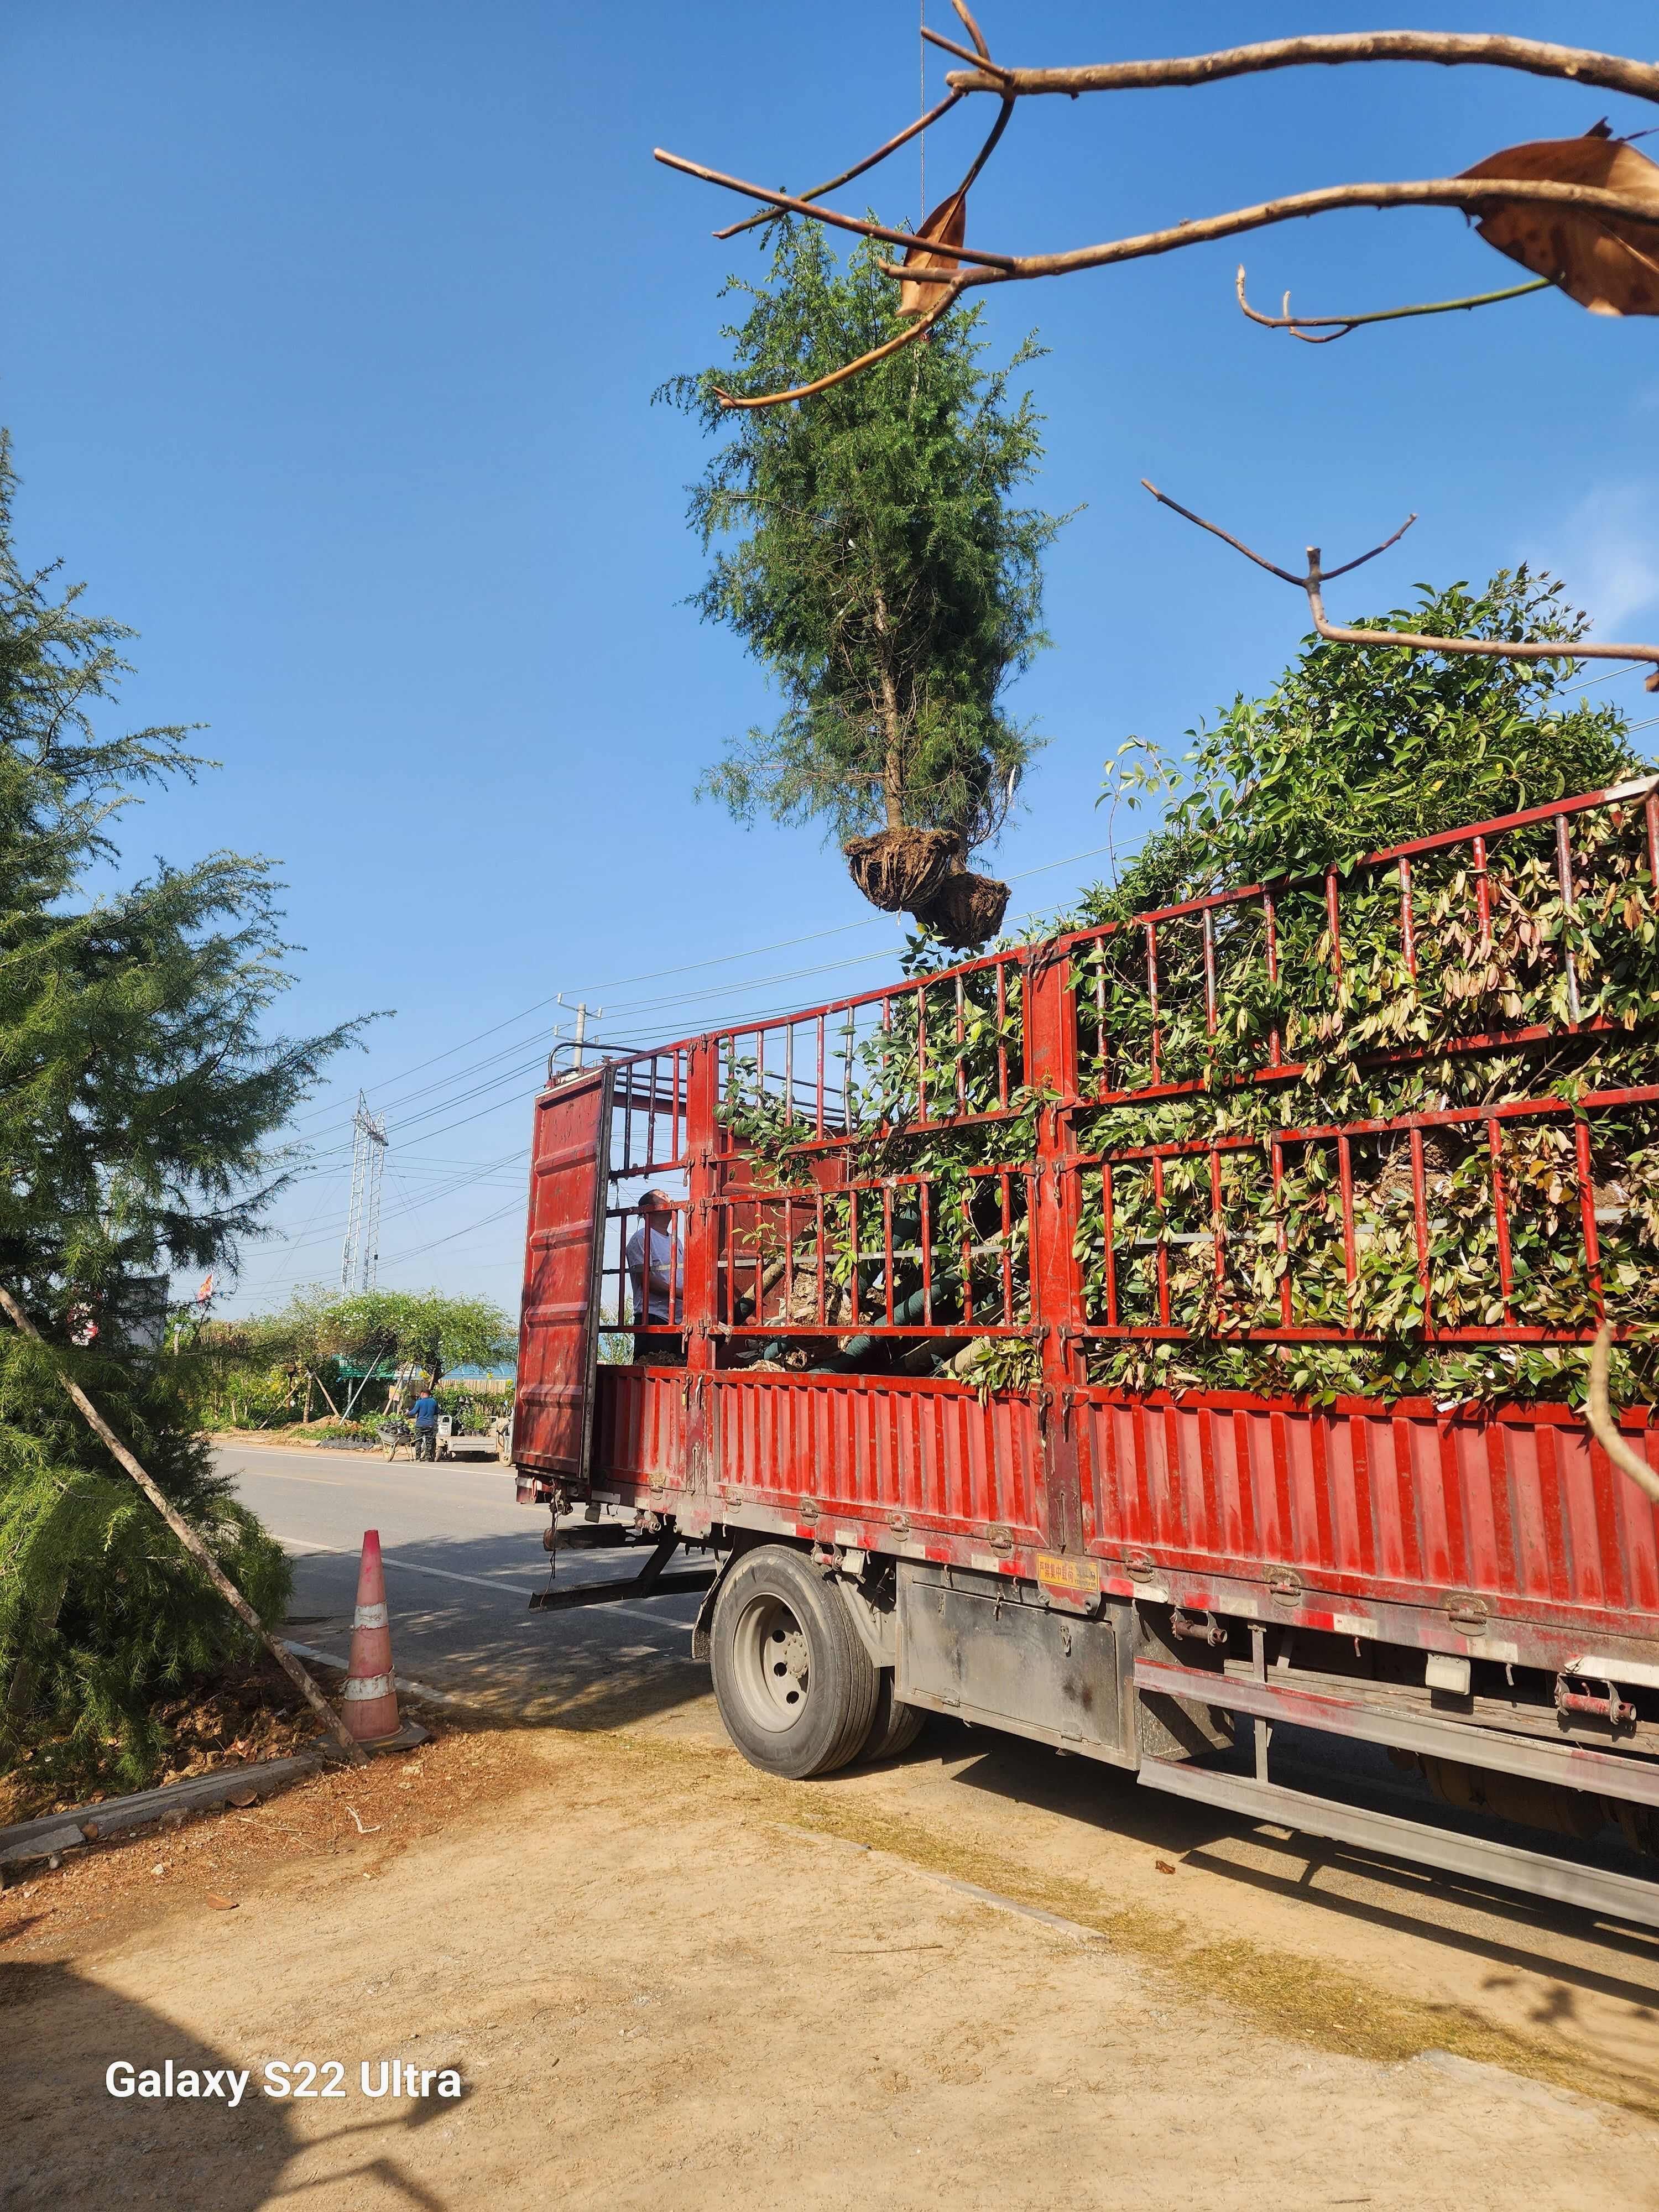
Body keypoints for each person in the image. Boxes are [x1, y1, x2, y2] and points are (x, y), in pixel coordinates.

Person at [626, 1188, 685, 1365]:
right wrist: (683, 1294)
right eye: (663, 1196)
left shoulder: (676, 1240)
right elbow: (647, 1281)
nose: (670, 1198)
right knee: (651, 1371)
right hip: (653, 1318)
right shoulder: (642, 1238)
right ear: (649, 1209)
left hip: (678, 1319)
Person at [411, 1384, 440, 1462]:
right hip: (430, 1425)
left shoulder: (419, 1402)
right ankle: (427, 1458)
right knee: (429, 1441)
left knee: (418, 1441)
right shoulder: (434, 1402)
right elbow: (437, 1412)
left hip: (420, 1425)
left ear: (423, 1394)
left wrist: (408, 1412)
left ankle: (418, 1458)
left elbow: (413, 1412)